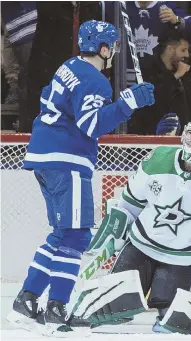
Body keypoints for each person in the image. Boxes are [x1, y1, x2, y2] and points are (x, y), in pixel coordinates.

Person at [6, 20, 155, 337]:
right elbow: (91, 125)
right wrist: (128, 102)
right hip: (67, 159)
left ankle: (27, 299)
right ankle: (56, 307)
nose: (112, 51)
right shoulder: (95, 80)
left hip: (46, 156)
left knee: (63, 233)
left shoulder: (70, 65)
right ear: (104, 49)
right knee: (75, 237)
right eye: (111, 46)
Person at [72, 116, 191, 334]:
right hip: (141, 245)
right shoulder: (159, 158)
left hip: (182, 258)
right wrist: (115, 229)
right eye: (190, 132)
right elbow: (130, 203)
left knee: (174, 321)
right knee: (111, 308)